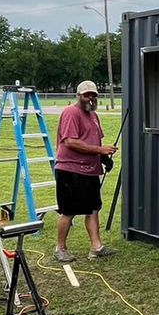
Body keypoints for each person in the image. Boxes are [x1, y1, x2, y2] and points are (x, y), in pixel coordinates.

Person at [53, 81, 117, 263]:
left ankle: (96, 248)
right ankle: (60, 248)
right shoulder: (70, 113)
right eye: (87, 94)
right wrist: (100, 151)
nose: (91, 98)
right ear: (78, 95)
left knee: (93, 209)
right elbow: (70, 142)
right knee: (69, 211)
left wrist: (104, 158)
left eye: (93, 95)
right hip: (70, 170)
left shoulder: (93, 115)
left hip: (90, 171)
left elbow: (95, 142)